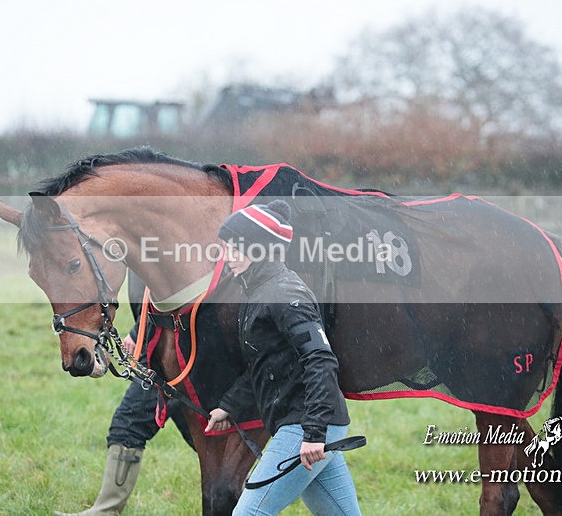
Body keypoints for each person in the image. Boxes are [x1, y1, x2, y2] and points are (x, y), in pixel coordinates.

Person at [206, 199, 361, 515]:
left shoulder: (285, 293)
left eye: (234, 248)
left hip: (306, 426)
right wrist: (229, 406)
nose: (227, 257)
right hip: (308, 424)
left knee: (249, 513)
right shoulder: (258, 291)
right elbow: (264, 363)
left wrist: (314, 433)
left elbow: (321, 360)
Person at [55, 273, 193, 516]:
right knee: (198, 434)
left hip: (171, 349)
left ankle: (106, 511)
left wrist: (138, 331)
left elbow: (176, 289)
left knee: (128, 425)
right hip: (158, 343)